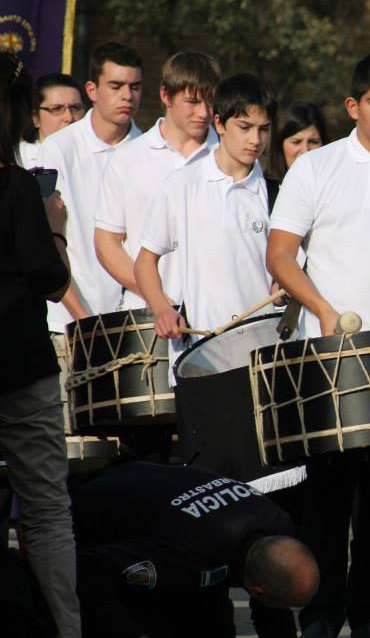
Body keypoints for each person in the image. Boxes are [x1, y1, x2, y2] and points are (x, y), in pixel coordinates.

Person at [267, 54, 370, 638]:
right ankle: (321, 612)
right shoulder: (317, 168)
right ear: (352, 107)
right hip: (329, 356)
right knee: (326, 497)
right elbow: (281, 254)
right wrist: (324, 311)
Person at [0, 51, 81, 638]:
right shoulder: (17, 186)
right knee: (48, 512)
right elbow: (53, 281)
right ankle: (64, 629)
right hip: (22, 369)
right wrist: (55, 223)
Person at [71, 461, 319, 638]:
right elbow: (90, 568)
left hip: (147, 492)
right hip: (83, 518)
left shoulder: (277, 530)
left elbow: (273, 614)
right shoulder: (185, 554)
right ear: (255, 590)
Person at [134, 72, 275, 353]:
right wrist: (162, 309)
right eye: (244, 127)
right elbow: (145, 262)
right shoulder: (181, 185)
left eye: (264, 129)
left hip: (264, 349)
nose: (255, 140)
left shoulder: (276, 193)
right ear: (219, 123)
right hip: (200, 350)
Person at [95, 51, 221, 311]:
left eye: (210, 103)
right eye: (193, 102)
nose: (204, 113)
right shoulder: (127, 158)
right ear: (166, 96)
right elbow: (107, 243)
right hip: (145, 314)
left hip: (214, 317)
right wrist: (159, 299)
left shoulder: (226, 157)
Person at [37, 41, 143, 334]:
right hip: (69, 323)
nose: (127, 95)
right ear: (92, 90)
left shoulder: (150, 151)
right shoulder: (59, 148)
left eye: (135, 86)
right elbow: (48, 240)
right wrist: (83, 319)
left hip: (135, 320)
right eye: (116, 85)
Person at [16, 72, 85, 169]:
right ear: (36, 117)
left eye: (75, 108)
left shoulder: (95, 155)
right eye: (57, 109)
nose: (69, 118)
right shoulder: (17, 158)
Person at [265, 101, 327, 181]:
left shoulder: (336, 187)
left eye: (313, 142)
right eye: (296, 142)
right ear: (279, 145)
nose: (305, 150)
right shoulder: (262, 190)